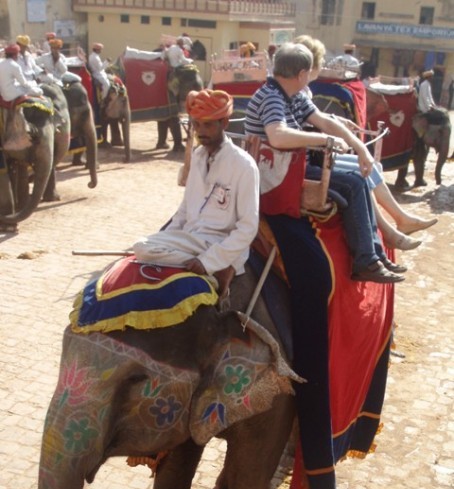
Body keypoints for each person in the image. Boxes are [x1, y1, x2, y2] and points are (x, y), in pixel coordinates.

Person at [245, 42, 405, 283]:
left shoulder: (293, 95)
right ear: (301, 74)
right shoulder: (272, 97)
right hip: (278, 173)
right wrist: (325, 140)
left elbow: (325, 121)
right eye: (309, 72)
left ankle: (373, 255)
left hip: (293, 166)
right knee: (353, 184)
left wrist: (360, 148)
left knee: (359, 178)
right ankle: (366, 260)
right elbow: (277, 135)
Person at [295, 34, 437, 249]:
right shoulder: (293, 92)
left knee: (370, 166)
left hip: (315, 153)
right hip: (306, 159)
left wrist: (343, 130)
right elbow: (300, 126)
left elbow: (317, 117)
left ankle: (399, 218)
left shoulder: (303, 91)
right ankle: (385, 233)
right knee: (360, 175)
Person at [133, 89, 260, 296]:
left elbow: (247, 228)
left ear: (224, 124)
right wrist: (166, 237)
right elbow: (184, 211)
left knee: (141, 247)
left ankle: (221, 268)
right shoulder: (198, 156)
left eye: (208, 125)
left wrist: (207, 261)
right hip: (191, 239)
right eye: (196, 124)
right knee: (142, 248)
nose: (201, 132)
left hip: (218, 242)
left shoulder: (244, 165)